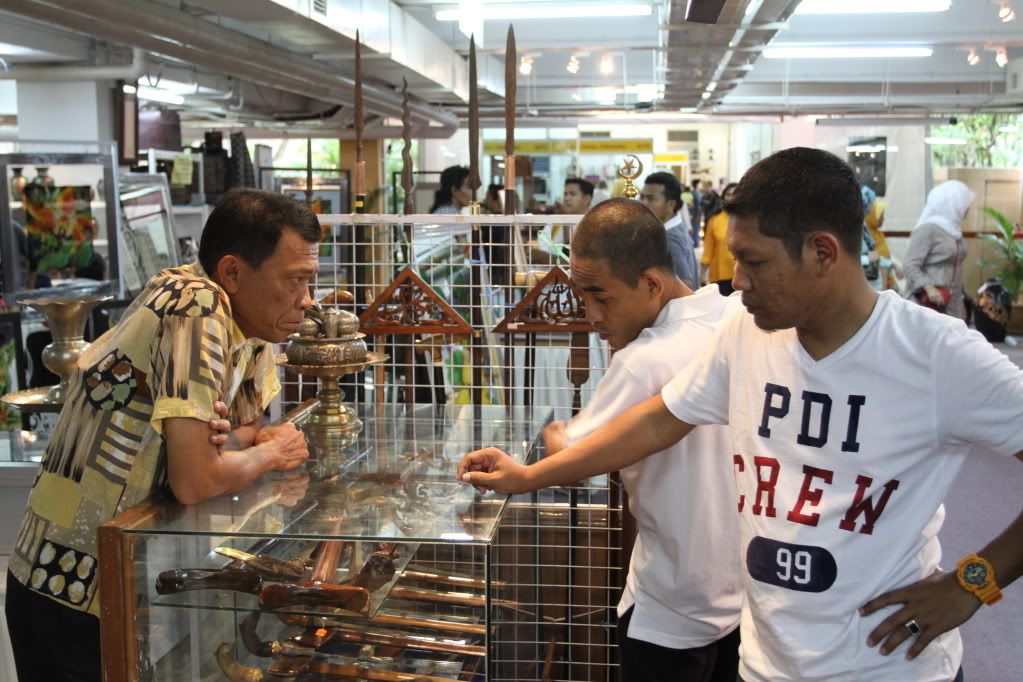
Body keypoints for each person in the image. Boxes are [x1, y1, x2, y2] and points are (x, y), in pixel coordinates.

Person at [460, 147, 1023, 682]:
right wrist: (530, 476)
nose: (739, 281)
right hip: (765, 662)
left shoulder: (935, 353)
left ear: (823, 253)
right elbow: (658, 421)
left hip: (888, 666)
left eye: (754, 262)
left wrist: (974, 583)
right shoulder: (746, 332)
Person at [5, 188, 316, 682]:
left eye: (309, 280)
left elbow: (247, 429)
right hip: (70, 587)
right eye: (294, 280)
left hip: (126, 583)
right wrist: (269, 454)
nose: (307, 300)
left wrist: (232, 448)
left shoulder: (253, 323)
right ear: (232, 272)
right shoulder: (196, 305)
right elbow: (196, 480)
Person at [539, 198, 741, 682]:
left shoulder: (643, 360)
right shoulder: (735, 320)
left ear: (651, 284)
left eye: (602, 298)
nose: (592, 316)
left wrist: (553, 433)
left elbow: (571, 457)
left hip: (669, 609)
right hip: (743, 602)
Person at [904, 180, 974, 318]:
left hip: (951, 302)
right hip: (928, 303)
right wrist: (929, 287)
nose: (968, 207)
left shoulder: (954, 230)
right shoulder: (928, 229)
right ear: (954, 203)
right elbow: (910, 264)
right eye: (964, 202)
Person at [640, 172, 698, 288]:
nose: (644, 203)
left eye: (651, 198)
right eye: (642, 197)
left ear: (671, 204)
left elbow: (685, 282)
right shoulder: (676, 228)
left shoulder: (668, 237)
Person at [701, 182, 738, 295]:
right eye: (728, 194)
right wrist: (702, 273)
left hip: (743, 275)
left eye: (735, 194)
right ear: (723, 197)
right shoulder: (715, 220)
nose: (731, 197)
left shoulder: (749, 220)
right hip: (720, 275)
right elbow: (708, 249)